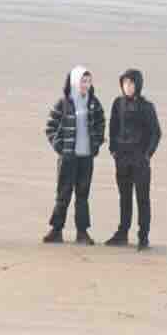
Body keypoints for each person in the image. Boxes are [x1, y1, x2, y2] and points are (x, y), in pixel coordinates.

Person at [42, 72, 105, 244]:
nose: (85, 84)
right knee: (63, 193)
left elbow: (101, 123)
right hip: (68, 157)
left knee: (83, 195)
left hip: (86, 157)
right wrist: (60, 147)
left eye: (88, 81)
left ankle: (82, 232)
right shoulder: (63, 103)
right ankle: (56, 230)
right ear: (74, 82)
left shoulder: (94, 103)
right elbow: (50, 127)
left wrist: (96, 143)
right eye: (82, 81)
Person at [108, 71, 165, 245]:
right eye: (125, 83)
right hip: (122, 158)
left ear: (138, 85)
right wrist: (113, 149)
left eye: (131, 83)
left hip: (140, 160)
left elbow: (156, 132)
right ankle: (122, 232)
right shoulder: (118, 103)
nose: (128, 87)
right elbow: (113, 126)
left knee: (142, 198)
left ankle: (143, 236)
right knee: (124, 197)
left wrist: (147, 154)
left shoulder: (147, 107)